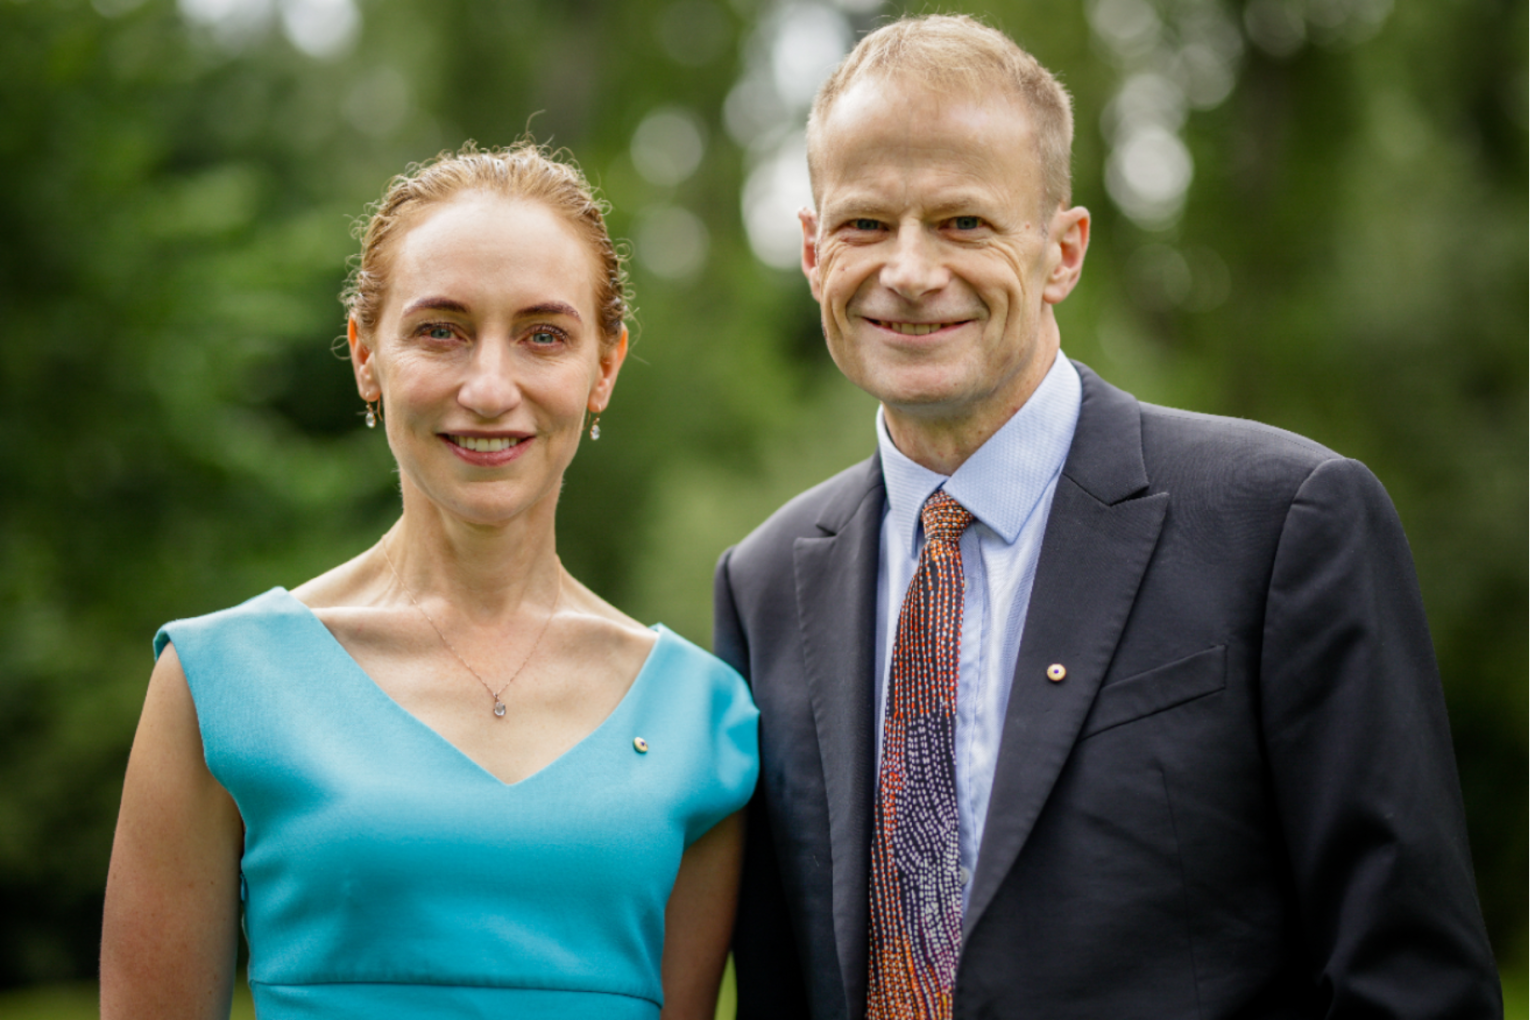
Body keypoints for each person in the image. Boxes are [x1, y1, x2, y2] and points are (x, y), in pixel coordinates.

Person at [714, 14, 1499, 1020]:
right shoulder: (765, 580)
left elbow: (1414, 982)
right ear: (815, 251)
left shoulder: (1285, 524)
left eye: (963, 222)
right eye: (867, 224)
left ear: (1062, 250)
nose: (909, 272)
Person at [101, 142, 758, 1020]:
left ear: (604, 367)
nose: (490, 388)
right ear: (367, 356)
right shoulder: (216, 684)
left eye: (544, 335)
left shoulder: (702, 720)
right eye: (440, 330)